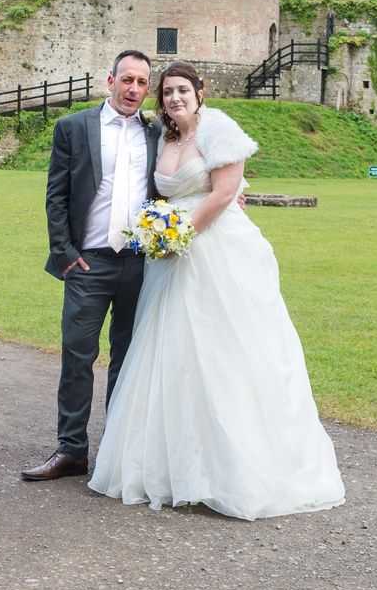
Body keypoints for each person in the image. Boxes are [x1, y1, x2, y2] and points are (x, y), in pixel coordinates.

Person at [88, 61, 345, 519]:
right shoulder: (163, 137)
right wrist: (160, 232)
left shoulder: (219, 129)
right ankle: (170, 465)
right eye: (167, 91)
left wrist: (180, 234)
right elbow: (158, 193)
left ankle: (234, 469)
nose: (174, 98)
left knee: (223, 348)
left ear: (200, 92)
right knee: (172, 352)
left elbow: (224, 194)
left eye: (182, 90)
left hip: (216, 251)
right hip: (170, 261)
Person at [22, 49, 160, 481]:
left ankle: (117, 452)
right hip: (88, 264)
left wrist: (233, 193)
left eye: (142, 82)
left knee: (128, 359)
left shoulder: (156, 132)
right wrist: (65, 254)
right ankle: (71, 450)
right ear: (110, 81)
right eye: (127, 80)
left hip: (140, 264)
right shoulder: (74, 127)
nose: (133, 89)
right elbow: (56, 195)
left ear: (148, 88)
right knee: (77, 355)